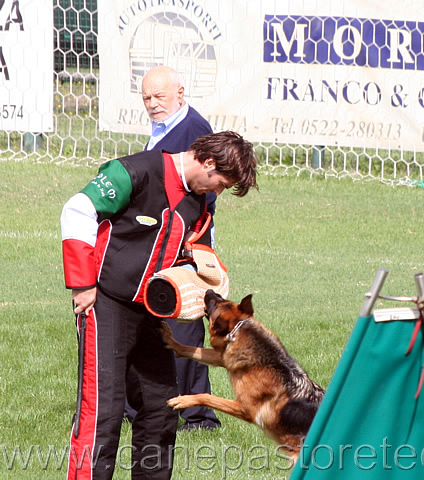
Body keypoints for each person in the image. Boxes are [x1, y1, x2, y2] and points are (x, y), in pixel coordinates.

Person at [61, 131, 258, 479]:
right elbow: (77, 210)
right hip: (104, 302)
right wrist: (82, 284)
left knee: (162, 409)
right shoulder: (134, 171)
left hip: (151, 314)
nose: (218, 192)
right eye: (221, 184)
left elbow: (187, 250)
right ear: (208, 162)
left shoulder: (199, 201)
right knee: (102, 413)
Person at [122, 65, 221, 432]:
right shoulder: (169, 125)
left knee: (183, 321)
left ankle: (194, 414)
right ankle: (167, 407)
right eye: (146, 97)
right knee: (171, 320)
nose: (152, 104)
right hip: (167, 236)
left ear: (181, 91)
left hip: (183, 239)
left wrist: (188, 244)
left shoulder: (193, 131)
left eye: (159, 97)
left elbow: (199, 193)